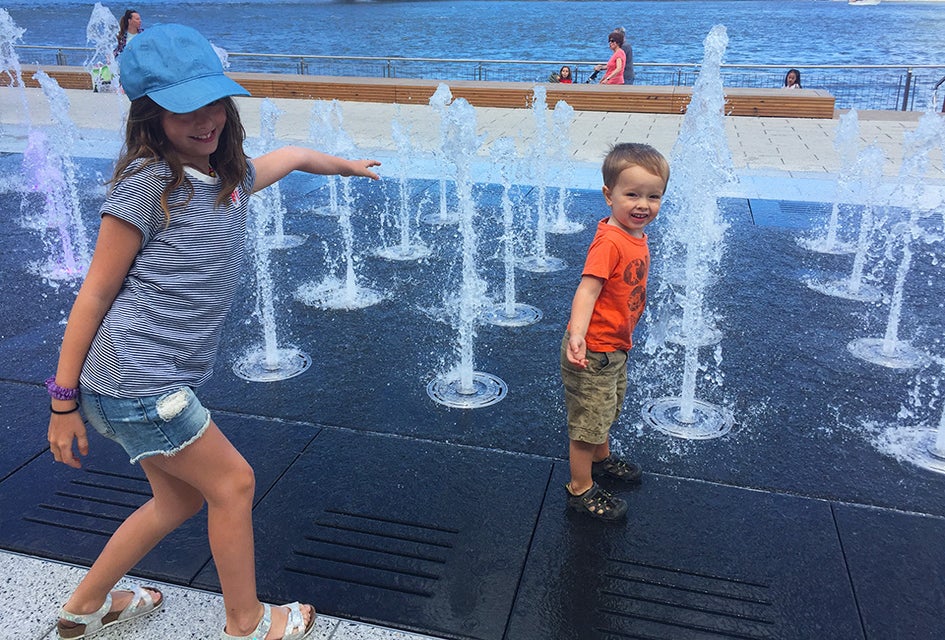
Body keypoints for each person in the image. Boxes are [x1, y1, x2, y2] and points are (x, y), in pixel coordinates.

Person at [46, 24, 381, 640]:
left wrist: (341, 166)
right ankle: (246, 622)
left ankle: (84, 608)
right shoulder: (150, 186)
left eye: (214, 105)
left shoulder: (221, 180)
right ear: (150, 118)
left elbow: (289, 158)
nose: (205, 121)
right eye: (184, 111)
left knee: (177, 501)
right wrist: (61, 402)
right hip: (137, 380)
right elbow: (93, 294)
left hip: (134, 384)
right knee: (235, 483)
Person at [561, 142, 669, 521]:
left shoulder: (635, 234)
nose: (643, 205)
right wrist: (578, 334)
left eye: (653, 196)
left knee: (605, 409)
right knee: (587, 423)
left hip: (616, 346)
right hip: (592, 348)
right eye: (632, 195)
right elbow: (587, 288)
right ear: (609, 196)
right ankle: (580, 487)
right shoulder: (609, 241)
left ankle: (602, 460)